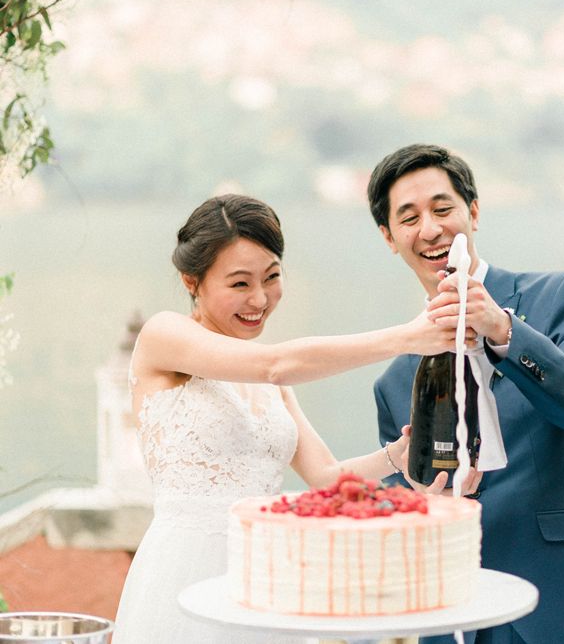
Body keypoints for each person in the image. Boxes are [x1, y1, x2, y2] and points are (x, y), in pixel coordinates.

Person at [113, 194, 480, 644]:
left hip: (267, 579)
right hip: (184, 572)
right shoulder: (164, 335)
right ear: (193, 282)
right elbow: (277, 363)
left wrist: (396, 457)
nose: (260, 299)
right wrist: (408, 337)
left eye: (271, 277)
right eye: (239, 284)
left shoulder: (271, 375)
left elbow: (326, 477)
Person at [367, 144, 564, 644]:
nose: (430, 229)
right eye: (409, 218)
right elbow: (409, 516)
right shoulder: (396, 382)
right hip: (459, 622)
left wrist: (502, 329)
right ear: (389, 237)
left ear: (474, 212)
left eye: (443, 209)